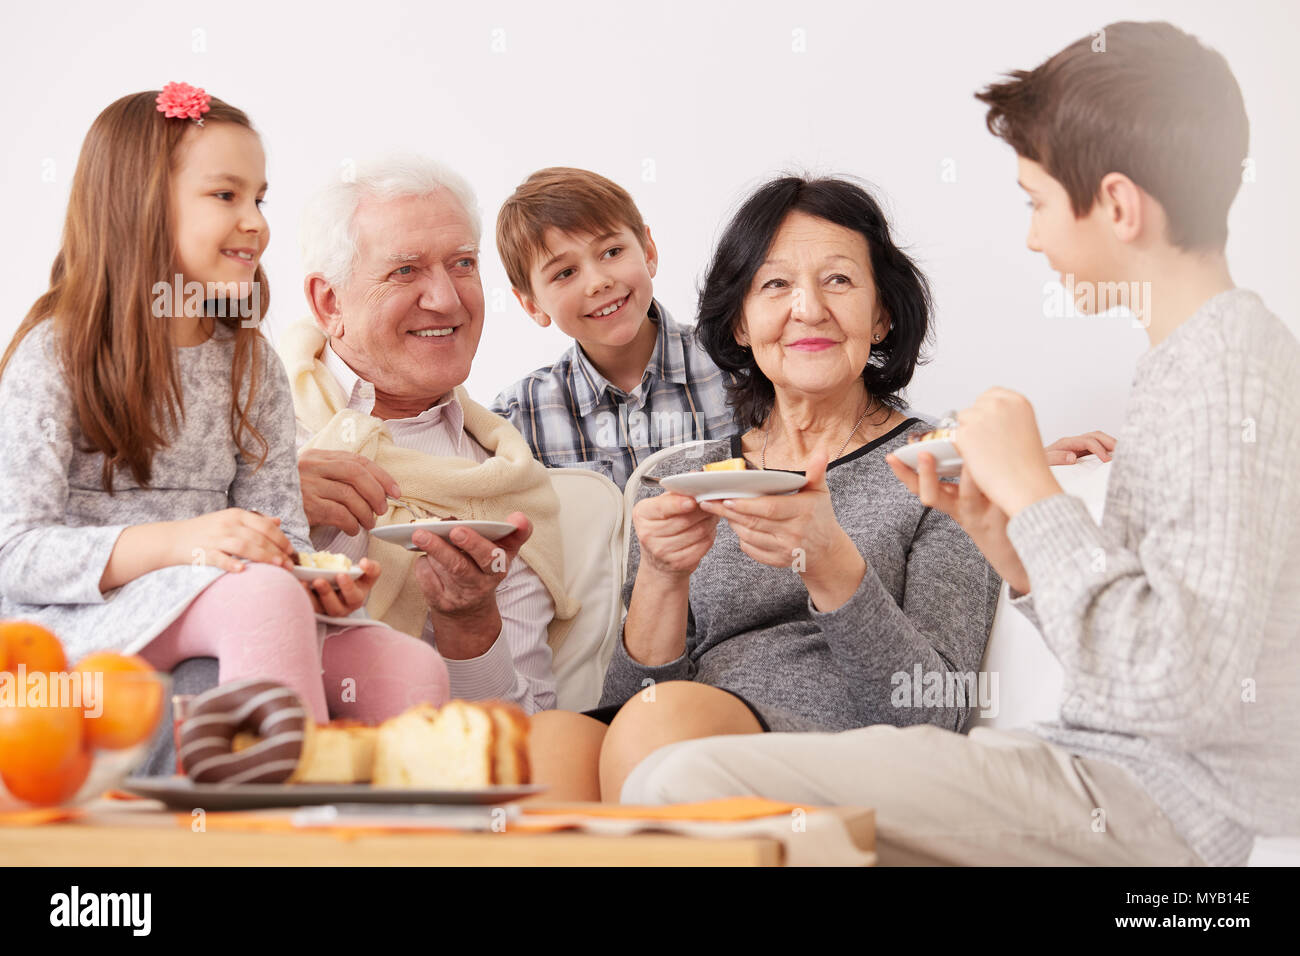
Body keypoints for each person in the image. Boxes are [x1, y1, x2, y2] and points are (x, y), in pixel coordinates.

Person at [619, 22, 1300, 867]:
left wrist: (1036, 495)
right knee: (668, 779)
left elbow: (1178, 688)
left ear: (1118, 206)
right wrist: (1009, 541)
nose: (1032, 237)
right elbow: (1141, 645)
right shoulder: (1184, 365)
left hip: (1169, 803)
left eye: (1038, 202)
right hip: (1093, 766)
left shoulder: (1228, 370)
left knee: (674, 784)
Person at [527, 175, 1003, 802]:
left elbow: (937, 711)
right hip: (671, 729)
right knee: (542, 747)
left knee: (661, 728)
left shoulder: (945, 467)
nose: (808, 308)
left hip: (838, 752)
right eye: (775, 284)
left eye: (838, 280)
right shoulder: (685, 477)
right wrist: (662, 579)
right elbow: (627, 705)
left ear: (882, 315)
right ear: (743, 324)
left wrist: (831, 561)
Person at [0, 85, 447, 724]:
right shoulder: (57, 354)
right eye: (225, 195)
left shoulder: (250, 363)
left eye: (259, 198)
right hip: (75, 623)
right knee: (261, 600)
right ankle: (280, 812)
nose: (256, 221)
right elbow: (14, 555)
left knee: (408, 668)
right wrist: (183, 543)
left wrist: (313, 581)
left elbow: (280, 536)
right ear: (139, 206)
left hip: (219, 598)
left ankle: (372, 821)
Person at [281, 155, 579, 715]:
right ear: (329, 302)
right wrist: (272, 512)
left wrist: (467, 623)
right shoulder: (244, 427)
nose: (446, 299)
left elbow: (524, 727)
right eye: (405, 271)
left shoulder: (502, 483)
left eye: (462, 263)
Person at [490, 167, 735, 489]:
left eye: (612, 252)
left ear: (648, 251)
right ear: (532, 305)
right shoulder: (518, 419)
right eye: (565, 273)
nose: (598, 282)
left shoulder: (735, 364)